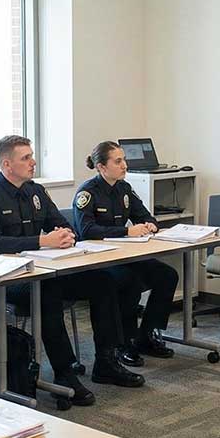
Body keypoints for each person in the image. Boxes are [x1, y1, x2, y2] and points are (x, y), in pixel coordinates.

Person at [0, 135, 142, 407]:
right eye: (25, 158)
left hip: (39, 269)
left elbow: (62, 224)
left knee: (103, 281)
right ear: (6, 164)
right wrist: (41, 241)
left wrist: (63, 235)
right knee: (47, 291)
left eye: (32, 155)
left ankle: (106, 362)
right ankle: (64, 374)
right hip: (2, 279)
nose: (33, 162)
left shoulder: (36, 192)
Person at [72, 141, 178, 365]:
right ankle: (123, 343)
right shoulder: (88, 193)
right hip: (99, 259)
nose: (124, 165)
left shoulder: (124, 188)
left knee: (167, 275)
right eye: (118, 161)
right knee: (128, 283)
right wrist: (127, 231)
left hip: (125, 254)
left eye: (124, 160)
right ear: (101, 167)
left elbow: (146, 216)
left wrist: (150, 225)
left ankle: (146, 335)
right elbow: (87, 230)